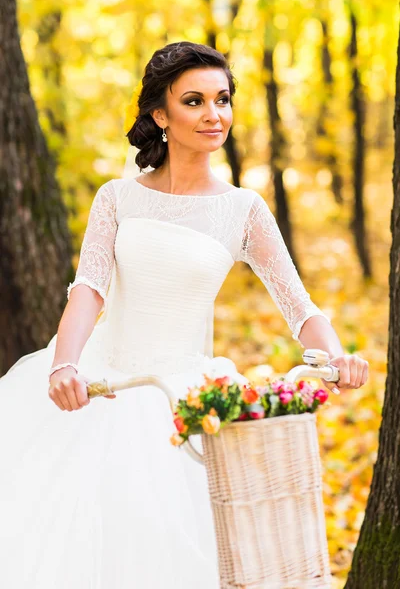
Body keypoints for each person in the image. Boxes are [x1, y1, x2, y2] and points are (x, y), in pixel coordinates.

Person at [0, 41, 368, 588]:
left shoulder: (243, 209)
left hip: (185, 397)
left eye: (222, 100)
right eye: (194, 101)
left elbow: (299, 306)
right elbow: (89, 290)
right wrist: (63, 364)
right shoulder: (118, 198)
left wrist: (337, 357)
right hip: (107, 381)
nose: (213, 114)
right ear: (160, 113)